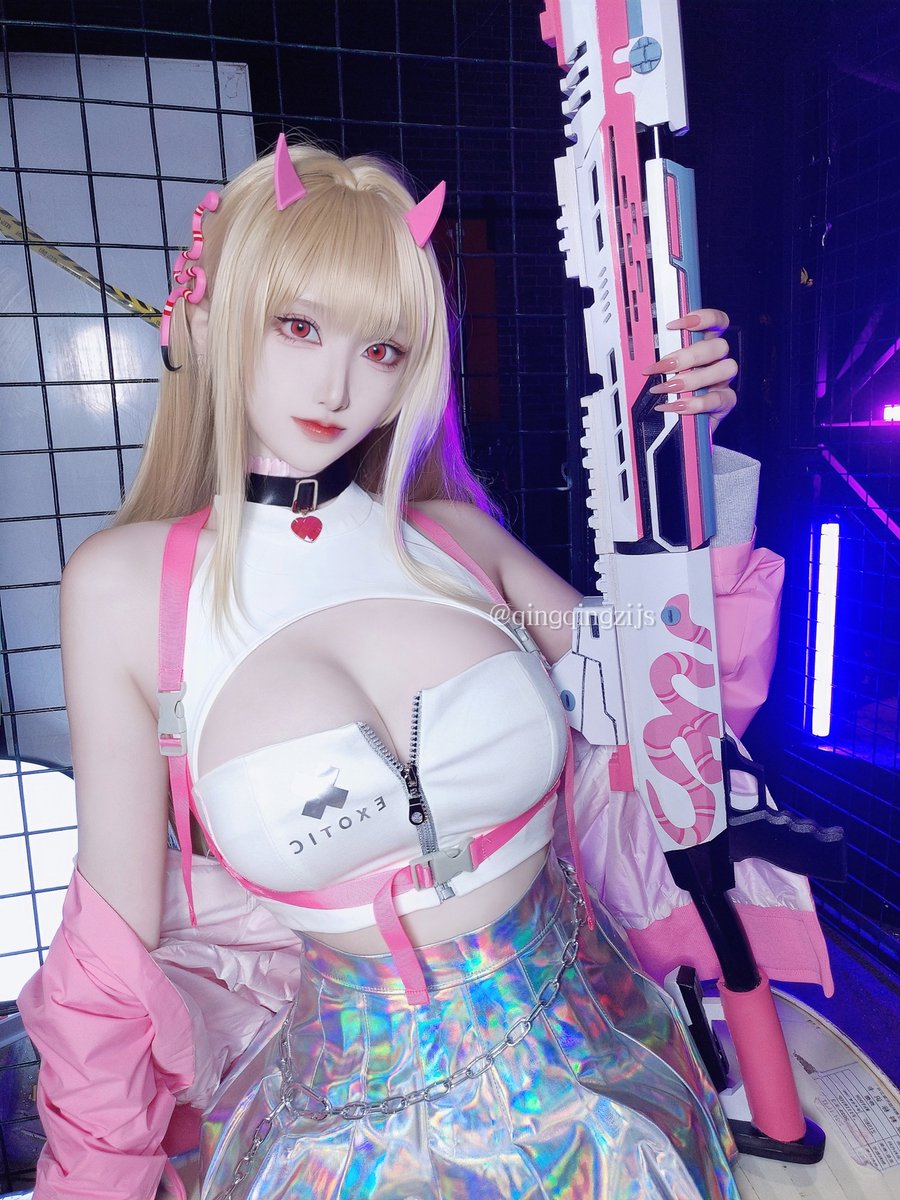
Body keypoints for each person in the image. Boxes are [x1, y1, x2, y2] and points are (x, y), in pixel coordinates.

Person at [18, 137, 822, 1200]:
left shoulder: (455, 544)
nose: (337, 383)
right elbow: (109, 962)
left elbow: (673, 701)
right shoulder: (125, 592)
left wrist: (686, 464)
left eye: (383, 347)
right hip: (343, 1147)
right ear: (208, 317)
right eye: (297, 326)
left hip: (606, 1083)